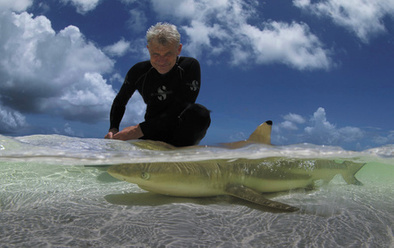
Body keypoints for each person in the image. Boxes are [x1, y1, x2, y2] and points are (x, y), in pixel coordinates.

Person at [104, 22, 211, 147]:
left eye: (168, 54)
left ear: (179, 49)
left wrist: (138, 130)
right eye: (156, 54)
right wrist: (113, 128)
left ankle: (182, 152)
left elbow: (183, 106)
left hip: (180, 133)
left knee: (200, 113)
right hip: (152, 131)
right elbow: (120, 101)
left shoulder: (189, 66)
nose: (161, 61)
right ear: (148, 49)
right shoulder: (138, 71)